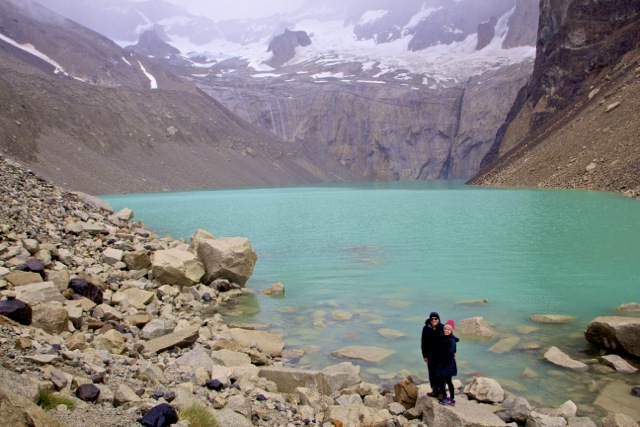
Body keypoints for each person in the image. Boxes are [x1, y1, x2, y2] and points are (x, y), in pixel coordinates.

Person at [436, 319, 459, 406]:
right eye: (445, 329)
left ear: (451, 330)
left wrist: (442, 364)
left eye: (448, 329)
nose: (446, 330)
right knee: (443, 381)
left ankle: (450, 399)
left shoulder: (451, 340)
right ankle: (447, 398)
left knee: (446, 381)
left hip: (447, 364)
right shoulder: (444, 337)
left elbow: (450, 354)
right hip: (443, 363)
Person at [421, 311, 444, 397]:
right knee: (432, 374)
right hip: (430, 356)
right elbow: (423, 343)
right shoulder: (426, 328)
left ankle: (442, 392)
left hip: (441, 356)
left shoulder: (443, 328)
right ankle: (435, 390)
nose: (434, 320)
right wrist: (425, 356)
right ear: (430, 320)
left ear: (438, 319)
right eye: (432, 319)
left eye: (436, 319)